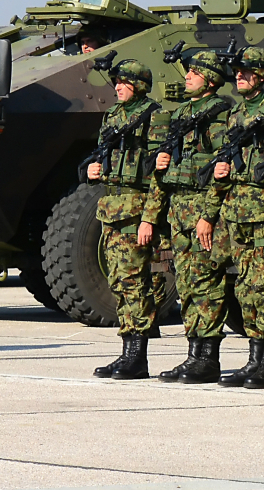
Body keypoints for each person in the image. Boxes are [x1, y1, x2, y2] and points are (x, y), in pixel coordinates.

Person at [211, 46, 264, 389]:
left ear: (260, 75)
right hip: (237, 213)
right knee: (245, 288)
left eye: (245, 71)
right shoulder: (236, 114)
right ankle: (254, 359)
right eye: (238, 71)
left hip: (262, 214)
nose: (239, 76)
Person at [151, 52, 233, 384]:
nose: (186, 77)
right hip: (178, 211)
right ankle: (193, 354)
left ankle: (208, 358)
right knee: (186, 284)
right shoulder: (182, 114)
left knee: (207, 286)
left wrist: (208, 216)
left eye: (194, 73)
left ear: (211, 79)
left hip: (201, 212)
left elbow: (221, 173)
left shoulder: (219, 116)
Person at [86, 60, 170, 379]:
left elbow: (160, 175)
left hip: (136, 209)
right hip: (111, 208)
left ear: (138, 84)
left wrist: (150, 218)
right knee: (119, 282)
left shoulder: (154, 115)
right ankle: (126, 351)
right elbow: (104, 157)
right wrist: (95, 173)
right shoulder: (112, 116)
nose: (117, 87)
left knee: (136, 283)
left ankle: (138, 356)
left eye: (123, 81)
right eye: (116, 82)